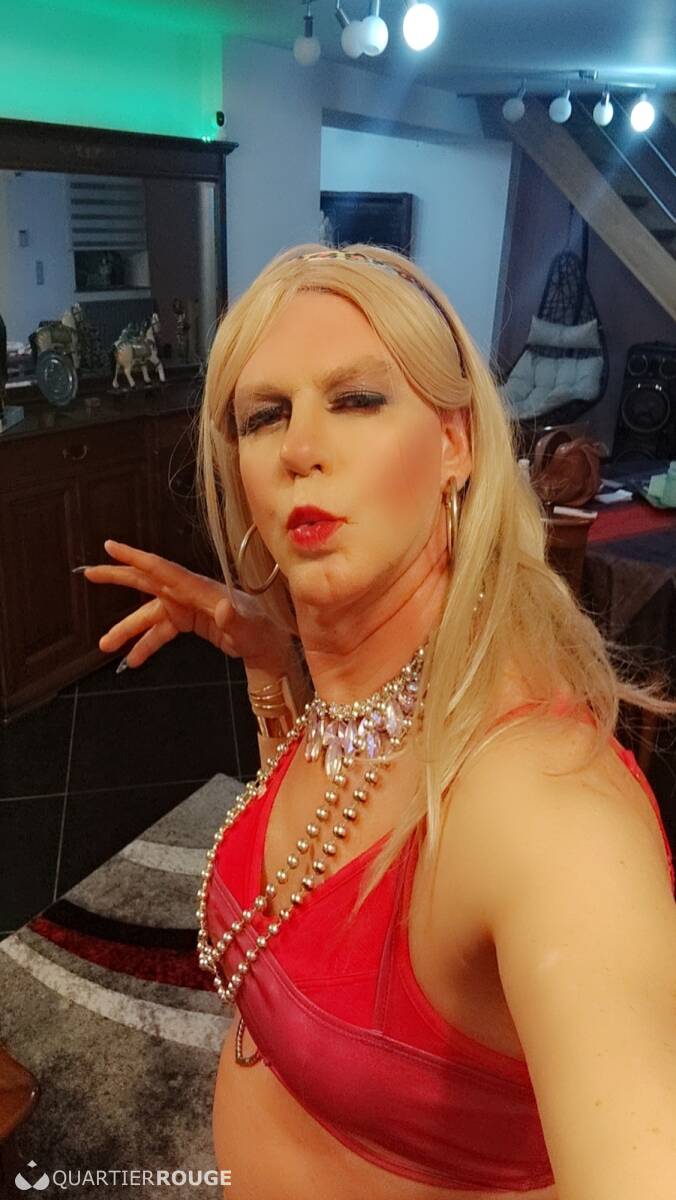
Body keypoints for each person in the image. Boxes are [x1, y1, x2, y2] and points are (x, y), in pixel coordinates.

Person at [76, 243, 676, 1200]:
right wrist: (271, 667)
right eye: (264, 416)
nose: (298, 448)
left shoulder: (549, 809)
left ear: (455, 444)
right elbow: (320, 857)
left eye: (356, 400)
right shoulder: (362, 695)